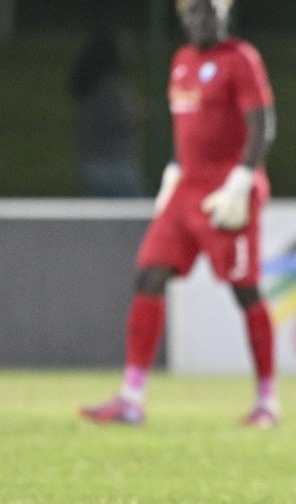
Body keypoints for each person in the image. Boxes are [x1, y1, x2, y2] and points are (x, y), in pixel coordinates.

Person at [80, 0, 279, 428]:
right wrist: (174, 170)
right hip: (186, 190)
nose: (200, 20)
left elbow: (263, 125)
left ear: (225, 14)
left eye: (209, 12)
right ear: (182, 18)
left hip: (226, 192)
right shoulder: (182, 61)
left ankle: (267, 401)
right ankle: (131, 397)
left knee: (245, 291)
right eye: (192, 13)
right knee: (148, 276)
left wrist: (242, 181)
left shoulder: (240, 58)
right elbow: (188, 129)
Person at [67, 28, 146, 197]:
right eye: (124, 45)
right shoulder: (109, 85)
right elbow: (117, 117)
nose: (130, 49)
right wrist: (137, 112)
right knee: (135, 213)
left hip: (95, 161)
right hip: (110, 163)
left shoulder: (97, 82)